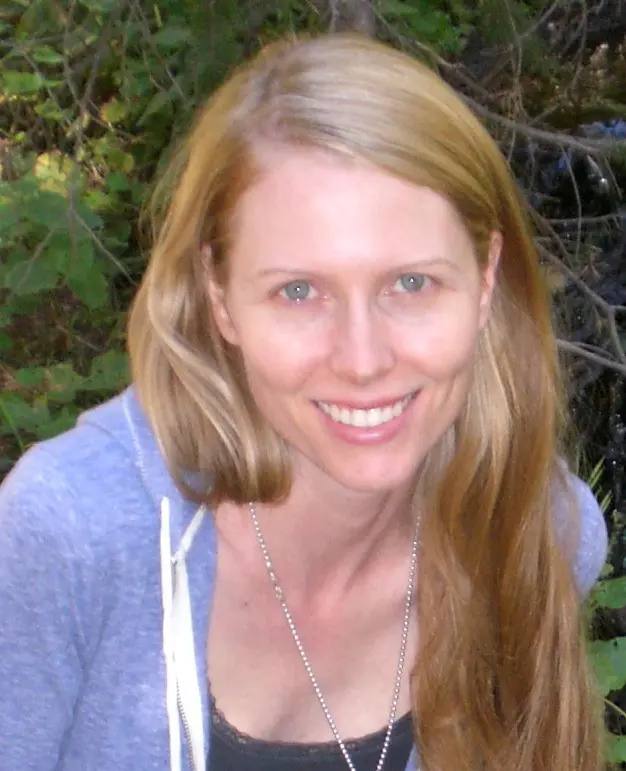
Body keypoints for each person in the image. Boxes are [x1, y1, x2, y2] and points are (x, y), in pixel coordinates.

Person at [0, 33, 609, 771]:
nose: (362, 359)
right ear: (220, 297)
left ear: (484, 280)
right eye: (298, 290)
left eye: (411, 283)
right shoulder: (77, 532)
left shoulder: (533, 533)